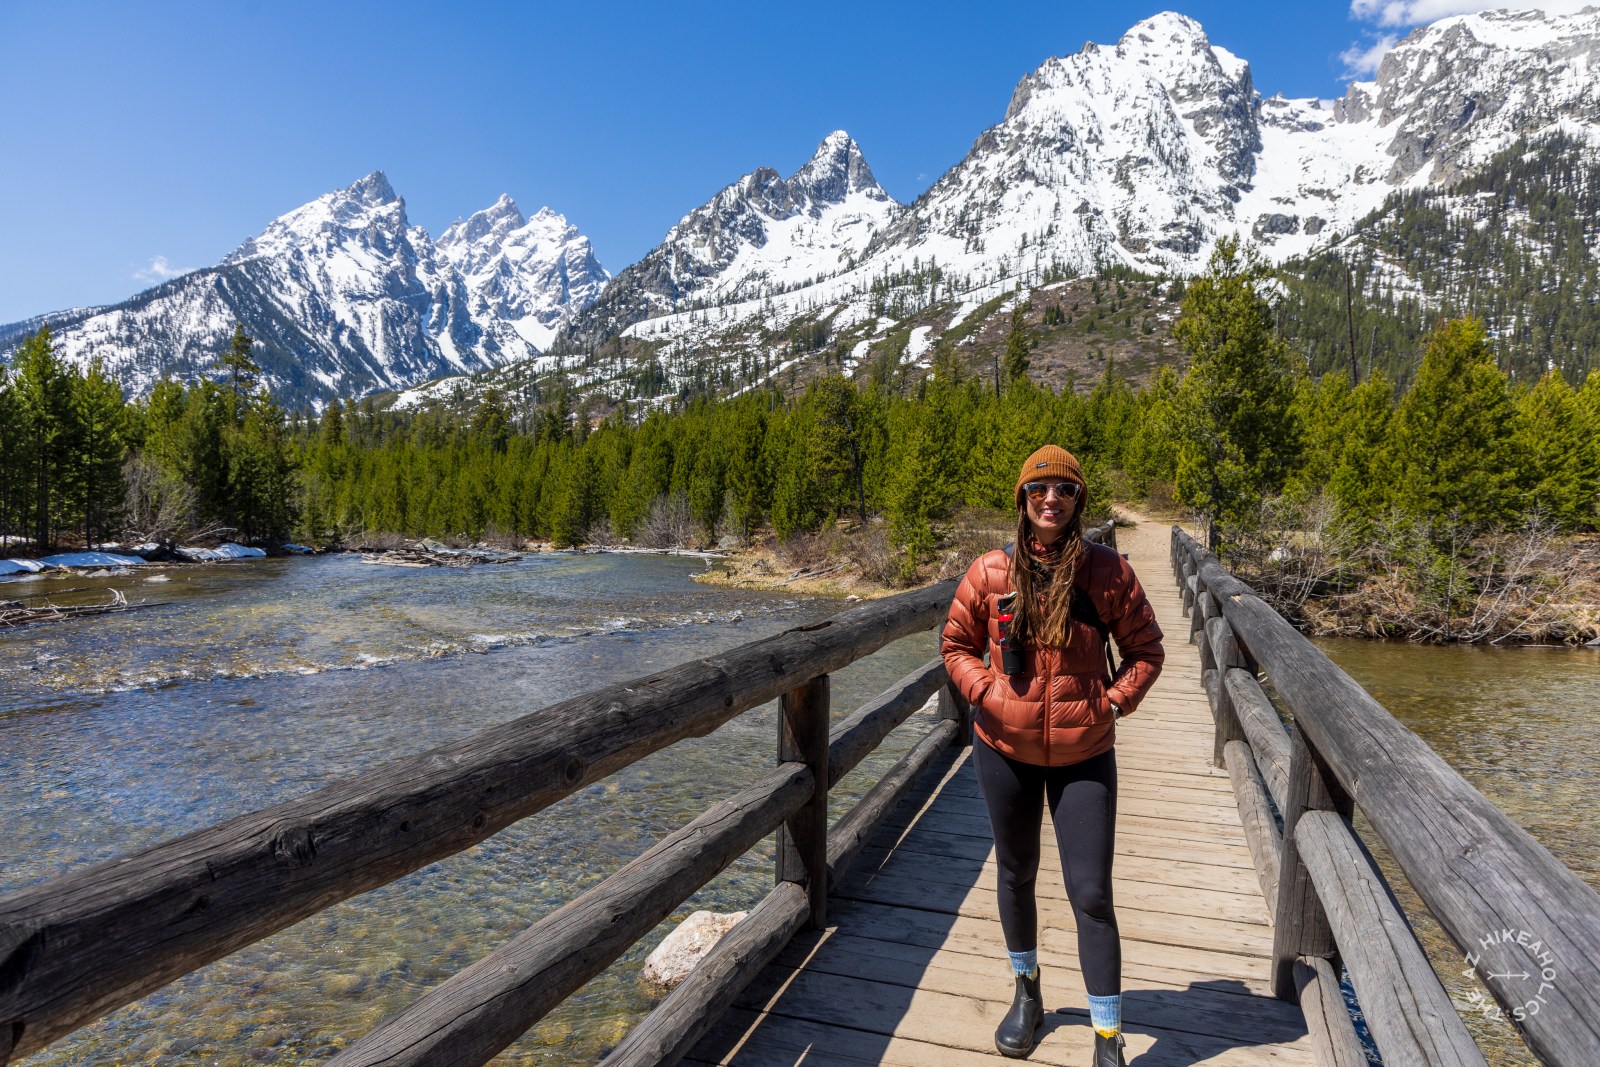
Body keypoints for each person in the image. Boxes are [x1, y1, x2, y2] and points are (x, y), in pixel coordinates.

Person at [941, 445, 1164, 1065]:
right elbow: (956, 642)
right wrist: (986, 691)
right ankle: (1027, 992)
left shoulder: (1108, 573)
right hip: (1003, 748)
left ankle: (1108, 1037)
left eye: (1065, 491)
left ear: (1078, 502)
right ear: (1022, 498)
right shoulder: (991, 573)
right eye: (1040, 489)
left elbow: (1147, 651)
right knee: (1016, 874)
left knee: (1091, 894)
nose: (1051, 500)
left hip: (1084, 753)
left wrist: (1112, 704)